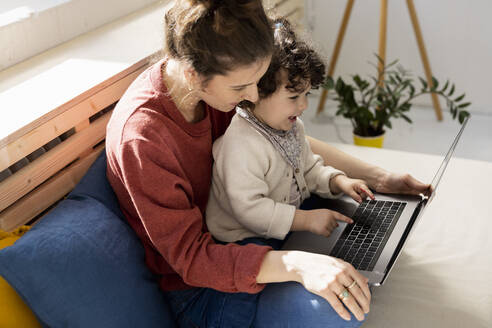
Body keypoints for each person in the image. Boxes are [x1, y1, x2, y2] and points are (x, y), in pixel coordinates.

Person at [105, 0, 430, 327]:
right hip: (206, 281)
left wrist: (379, 178)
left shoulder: (219, 81)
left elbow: (285, 144)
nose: (251, 96)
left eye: (257, 81)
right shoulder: (143, 138)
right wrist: (299, 265)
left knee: (368, 237)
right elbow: (193, 259)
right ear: (192, 75)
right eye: (241, 87)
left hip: (261, 235)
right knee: (342, 308)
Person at [206, 17, 376, 246]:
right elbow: (250, 209)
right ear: (256, 93)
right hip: (245, 236)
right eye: (294, 97)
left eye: (306, 95)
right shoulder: (241, 145)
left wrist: (338, 181)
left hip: (292, 219)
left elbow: (309, 168)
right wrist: (305, 220)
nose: (304, 105)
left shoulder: (291, 127)